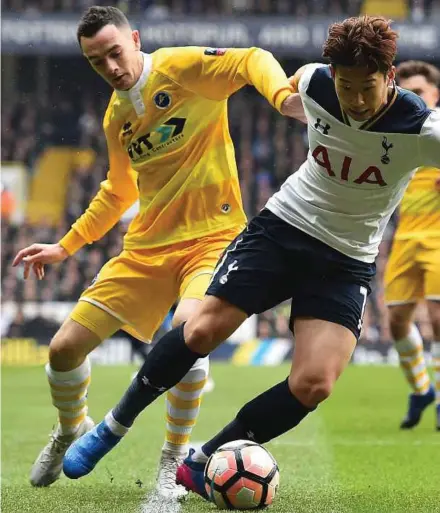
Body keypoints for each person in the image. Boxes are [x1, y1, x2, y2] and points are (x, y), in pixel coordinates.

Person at [62, 15, 440, 497]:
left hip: (346, 260)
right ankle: (112, 427)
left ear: (388, 78)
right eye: (347, 86)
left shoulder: (421, 128)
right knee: (199, 328)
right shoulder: (313, 83)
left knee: (315, 384)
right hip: (283, 229)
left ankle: (201, 461)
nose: (357, 100)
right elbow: (279, 76)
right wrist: (284, 100)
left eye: (367, 87)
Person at [12, 5, 303, 497]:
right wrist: (65, 247)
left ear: (136, 39)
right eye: (95, 61)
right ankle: (70, 429)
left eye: (114, 53)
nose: (109, 67)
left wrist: (281, 96)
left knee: (189, 336)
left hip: (212, 238)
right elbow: (118, 191)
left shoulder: (181, 67)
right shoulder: (116, 116)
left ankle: (173, 460)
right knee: (62, 351)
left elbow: (251, 57)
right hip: (147, 248)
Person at [383, 60, 440, 430]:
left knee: (437, 319)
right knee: (397, 320)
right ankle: (422, 390)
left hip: (438, 239)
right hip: (405, 238)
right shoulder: (394, 133)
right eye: (406, 93)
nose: (413, 99)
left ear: (435, 94)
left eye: (419, 92)